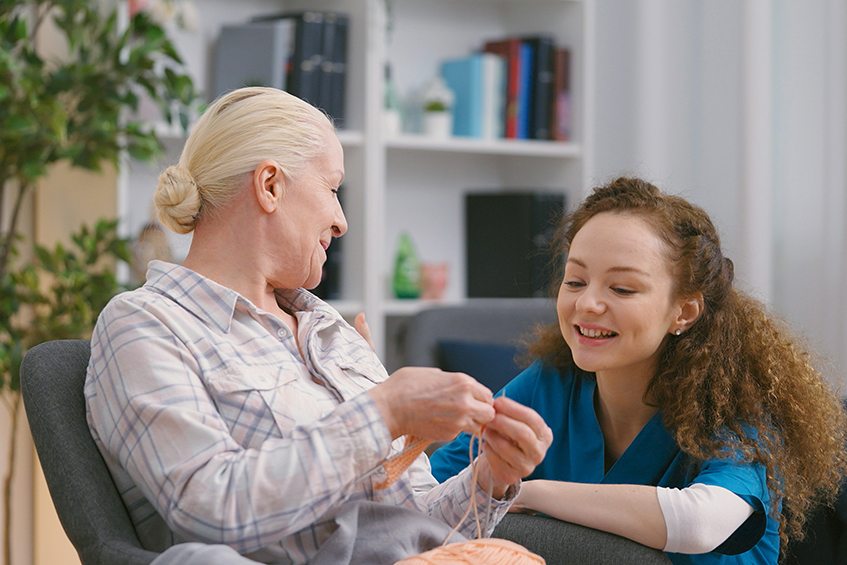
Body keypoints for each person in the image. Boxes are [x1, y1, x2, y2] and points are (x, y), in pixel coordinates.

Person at [84, 87, 552, 564]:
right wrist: (383, 412)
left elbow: (415, 519)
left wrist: (490, 477)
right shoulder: (146, 325)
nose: (341, 220)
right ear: (270, 185)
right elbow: (209, 506)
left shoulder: (330, 331)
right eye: (332, 189)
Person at [430, 177, 847, 564]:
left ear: (683, 311)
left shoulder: (734, 409)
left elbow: (701, 523)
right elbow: (430, 490)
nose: (587, 303)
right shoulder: (549, 384)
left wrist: (529, 494)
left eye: (622, 288)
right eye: (575, 281)